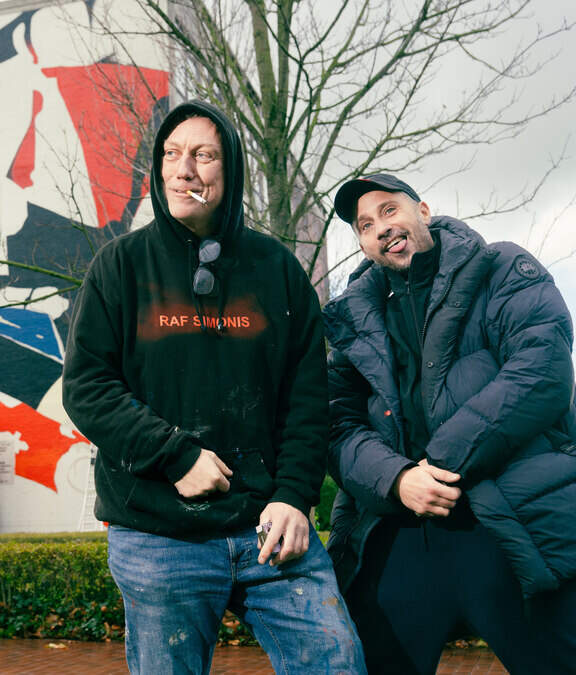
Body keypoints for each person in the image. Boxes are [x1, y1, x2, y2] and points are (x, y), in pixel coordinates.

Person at [61, 100, 363, 674]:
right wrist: (175, 455)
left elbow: (306, 400)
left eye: (204, 155)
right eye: (172, 155)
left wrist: (295, 495)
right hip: (156, 533)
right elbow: (88, 388)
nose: (184, 169)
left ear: (231, 171)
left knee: (337, 662)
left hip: (269, 528)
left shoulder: (276, 269)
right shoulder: (119, 267)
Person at [323, 174, 576, 674]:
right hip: (402, 532)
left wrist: (434, 468)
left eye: (389, 210)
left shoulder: (502, 267)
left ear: (422, 210)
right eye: (365, 225)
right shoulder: (355, 317)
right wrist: (399, 481)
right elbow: (336, 424)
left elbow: (542, 371)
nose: (381, 228)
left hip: (507, 521)